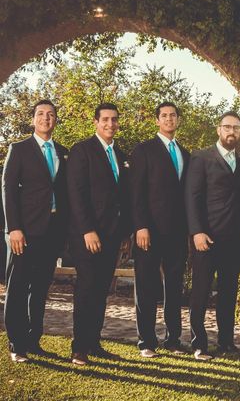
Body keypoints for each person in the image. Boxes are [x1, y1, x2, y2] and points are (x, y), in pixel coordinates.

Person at [2, 100, 69, 363]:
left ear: (55, 120)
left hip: (52, 232)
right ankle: (16, 344)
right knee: (17, 286)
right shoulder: (19, 149)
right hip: (24, 232)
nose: (46, 118)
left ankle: (33, 340)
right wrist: (14, 228)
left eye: (51, 114)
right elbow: (7, 190)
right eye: (40, 114)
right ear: (33, 119)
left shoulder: (63, 152)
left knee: (40, 288)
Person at [67, 102, 132, 366]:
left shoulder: (120, 154)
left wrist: (125, 233)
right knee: (86, 288)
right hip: (89, 235)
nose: (110, 124)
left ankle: (93, 343)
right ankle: (78, 348)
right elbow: (76, 193)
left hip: (113, 235)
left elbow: (124, 198)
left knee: (101, 289)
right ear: (95, 122)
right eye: (105, 119)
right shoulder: (82, 150)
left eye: (114, 120)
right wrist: (87, 230)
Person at [185, 111, 240, 361]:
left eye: (235, 127)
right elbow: (192, 198)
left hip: (233, 238)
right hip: (207, 236)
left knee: (228, 292)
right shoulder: (201, 157)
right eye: (227, 127)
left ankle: (226, 342)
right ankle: (199, 344)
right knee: (200, 291)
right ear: (218, 130)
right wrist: (197, 231)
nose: (231, 132)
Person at [129, 102, 190, 358]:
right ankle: (146, 342)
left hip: (177, 233)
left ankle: (173, 339)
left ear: (177, 120)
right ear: (157, 120)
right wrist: (140, 226)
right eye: (164, 115)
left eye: (172, 115)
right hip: (149, 232)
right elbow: (136, 192)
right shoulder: (143, 150)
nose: (169, 119)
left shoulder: (186, 153)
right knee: (146, 286)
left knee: (174, 286)